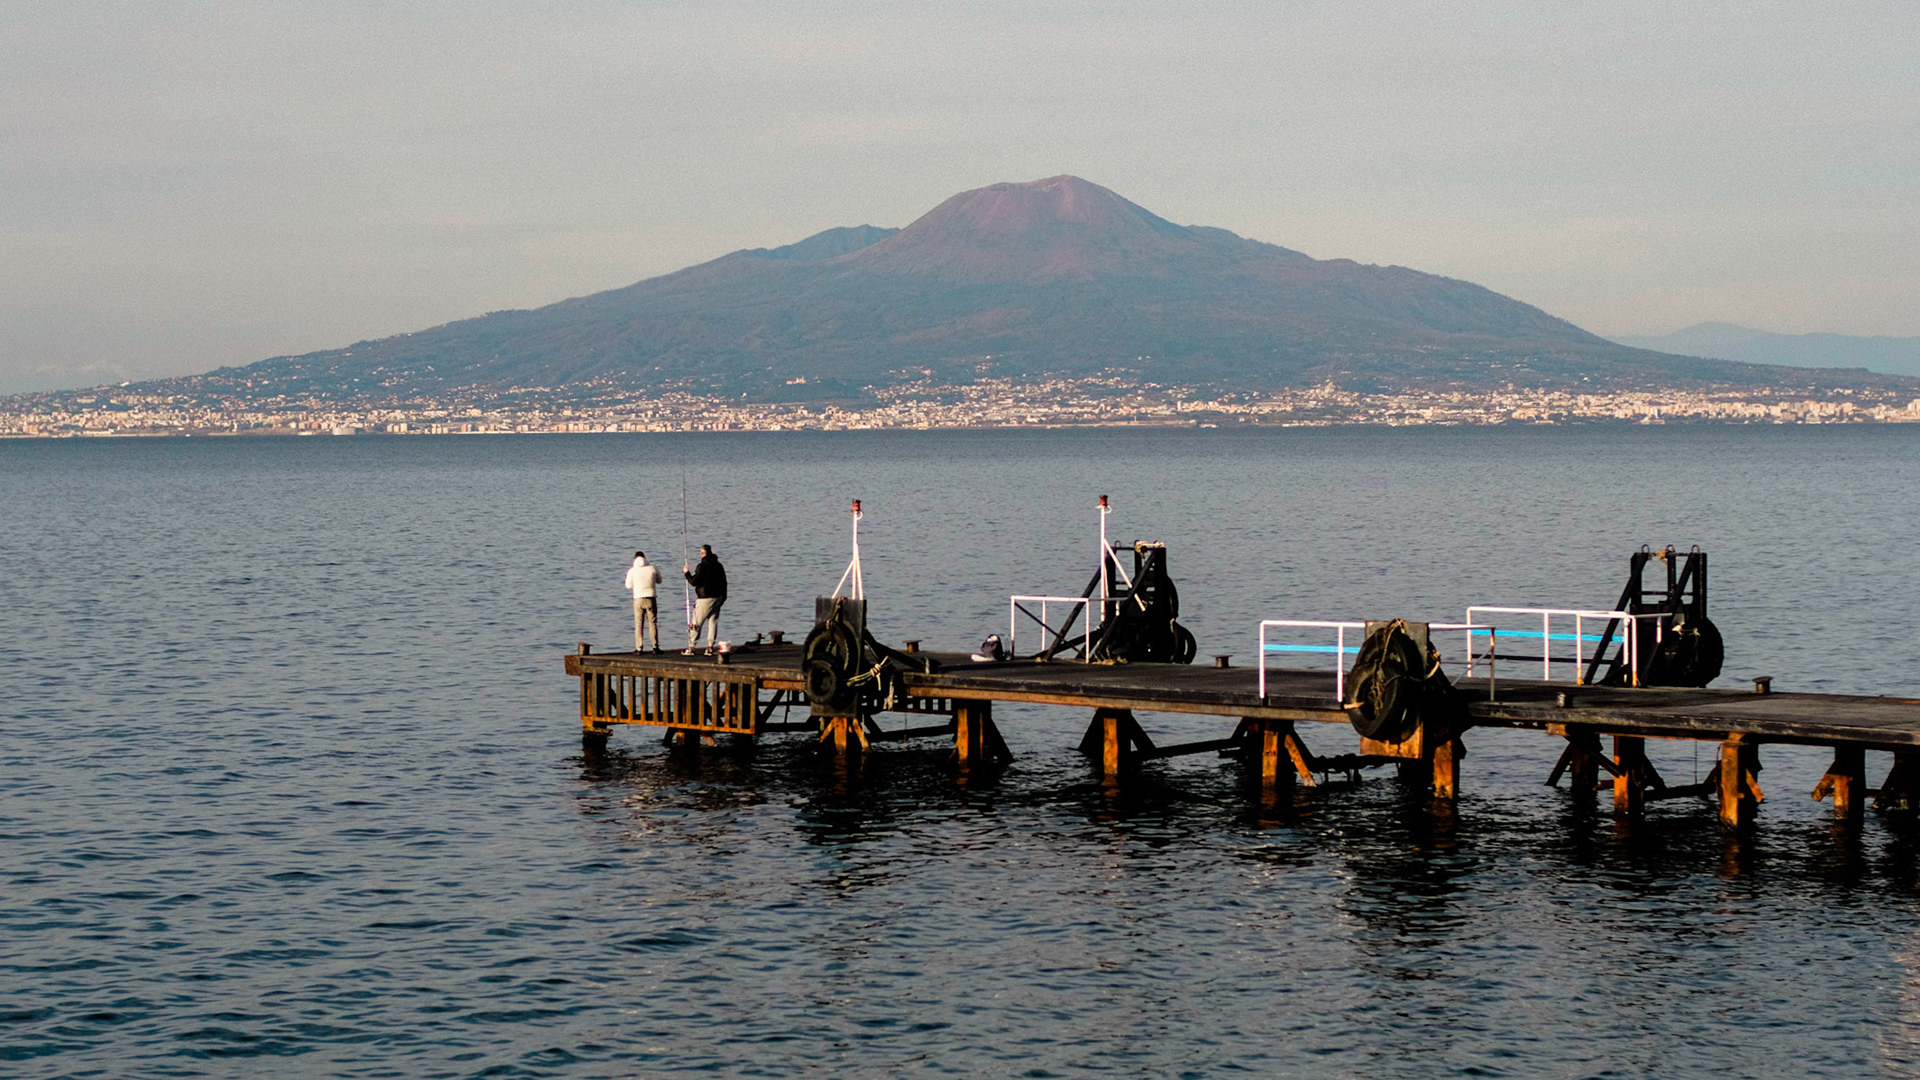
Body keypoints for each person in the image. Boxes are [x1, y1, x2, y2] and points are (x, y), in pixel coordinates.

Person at [683, 544, 728, 653]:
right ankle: (710, 647)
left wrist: (687, 573)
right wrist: (723, 598)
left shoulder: (701, 566)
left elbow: (694, 582)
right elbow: (724, 582)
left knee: (697, 623)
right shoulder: (719, 565)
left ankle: (691, 646)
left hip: (704, 599)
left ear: (703, 554)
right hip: (718, 598)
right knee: (713, 622)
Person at [624, 550, 663, 652]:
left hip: (638, 599)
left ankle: (639, 648)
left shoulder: (632, 571)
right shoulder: (652, 568)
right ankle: (655, 646)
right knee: (652, 623)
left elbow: (628, 585)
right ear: (645, 559)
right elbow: (660, 580)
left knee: (638, 624)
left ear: (635, 559)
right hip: (651, 598)